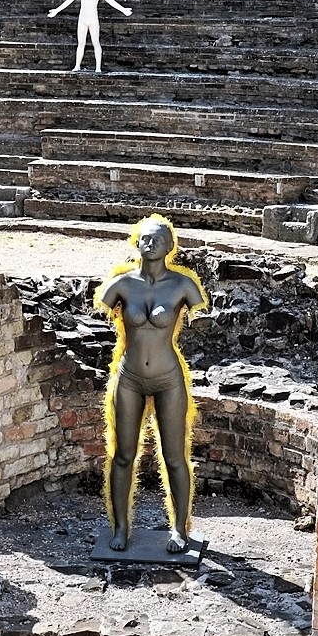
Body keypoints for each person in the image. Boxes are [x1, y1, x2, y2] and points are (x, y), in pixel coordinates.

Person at [94, 214, 208, 553]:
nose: (150, 242)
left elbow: (204, 320)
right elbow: (101, 309)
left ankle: (179, 528)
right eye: (144, 237)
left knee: (175, 456)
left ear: (171, 245)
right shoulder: (121, 285)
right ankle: (121, 527)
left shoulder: (183, 286)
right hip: (129, 377)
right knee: (123, 455)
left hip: (168, 378)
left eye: (158, 237)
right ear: (135, 242)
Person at [47, 0, 131, 73]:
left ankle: (98, 67)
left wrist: (123, 9)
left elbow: (110, 1)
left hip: (93, 19)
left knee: (96, 42)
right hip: (82, 18)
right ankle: (77, 65)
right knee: (81, 43)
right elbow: (68, 1)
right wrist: (57, 10)